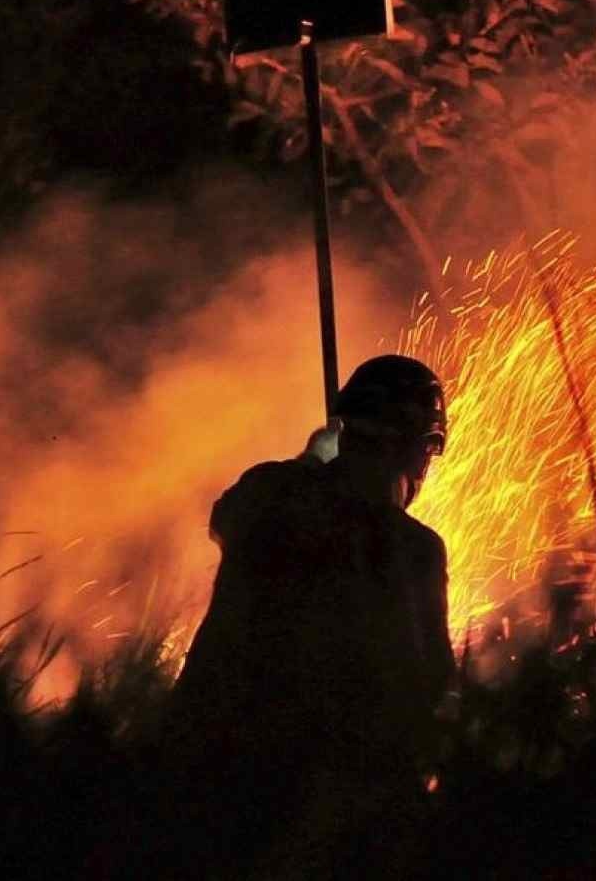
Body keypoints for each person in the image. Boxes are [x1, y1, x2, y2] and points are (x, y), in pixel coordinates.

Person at [162, 354, 454, 870]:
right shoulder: (415, 550)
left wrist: (311, 461)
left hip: (203, 777)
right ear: (420, 451)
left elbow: (226, 518)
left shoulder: (267, 494)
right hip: (324, 807)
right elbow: (431, 684)